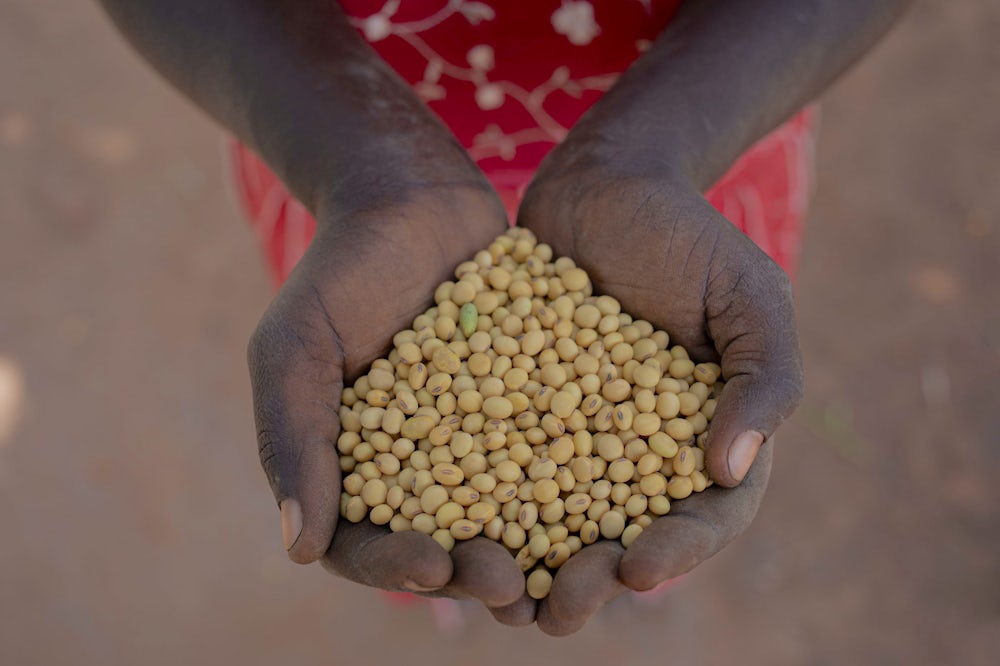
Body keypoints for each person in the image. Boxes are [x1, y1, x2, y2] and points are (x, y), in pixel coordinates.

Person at [99, 0, 909, 636]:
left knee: (688, 450)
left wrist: (650, 155)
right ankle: (450, 591)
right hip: (329, 115)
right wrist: (361, 168)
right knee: (419, 524)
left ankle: (628, 582)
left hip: (696, 116)